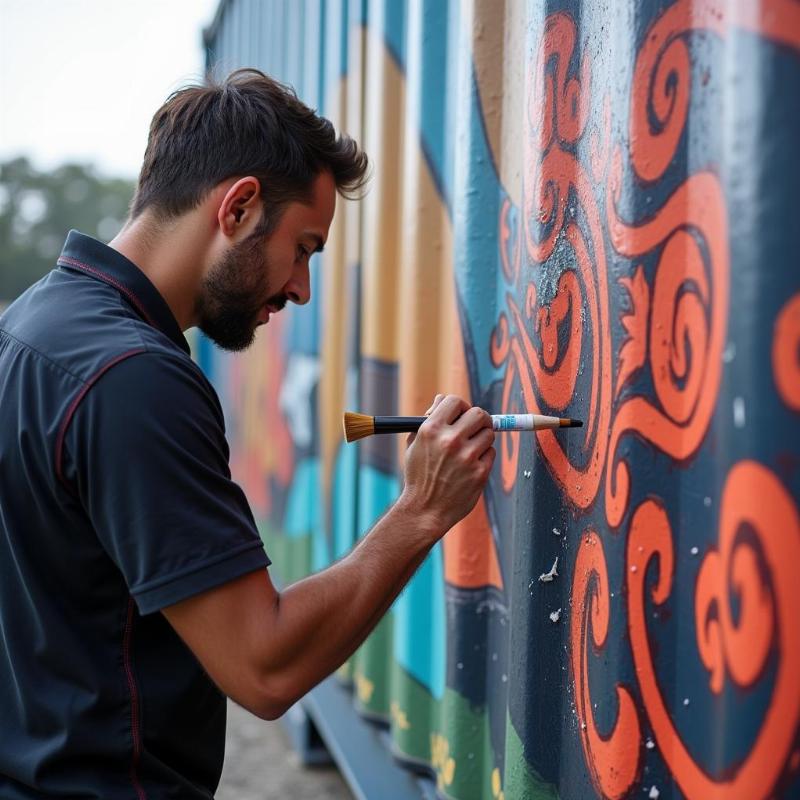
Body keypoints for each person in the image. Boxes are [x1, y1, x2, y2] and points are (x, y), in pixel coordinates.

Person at [0, 68, 496, 798]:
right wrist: (420, 511)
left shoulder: (30, 326)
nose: (300, 288)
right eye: (303, 248)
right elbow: (264, 669)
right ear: (238, 207)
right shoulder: (134, 380)